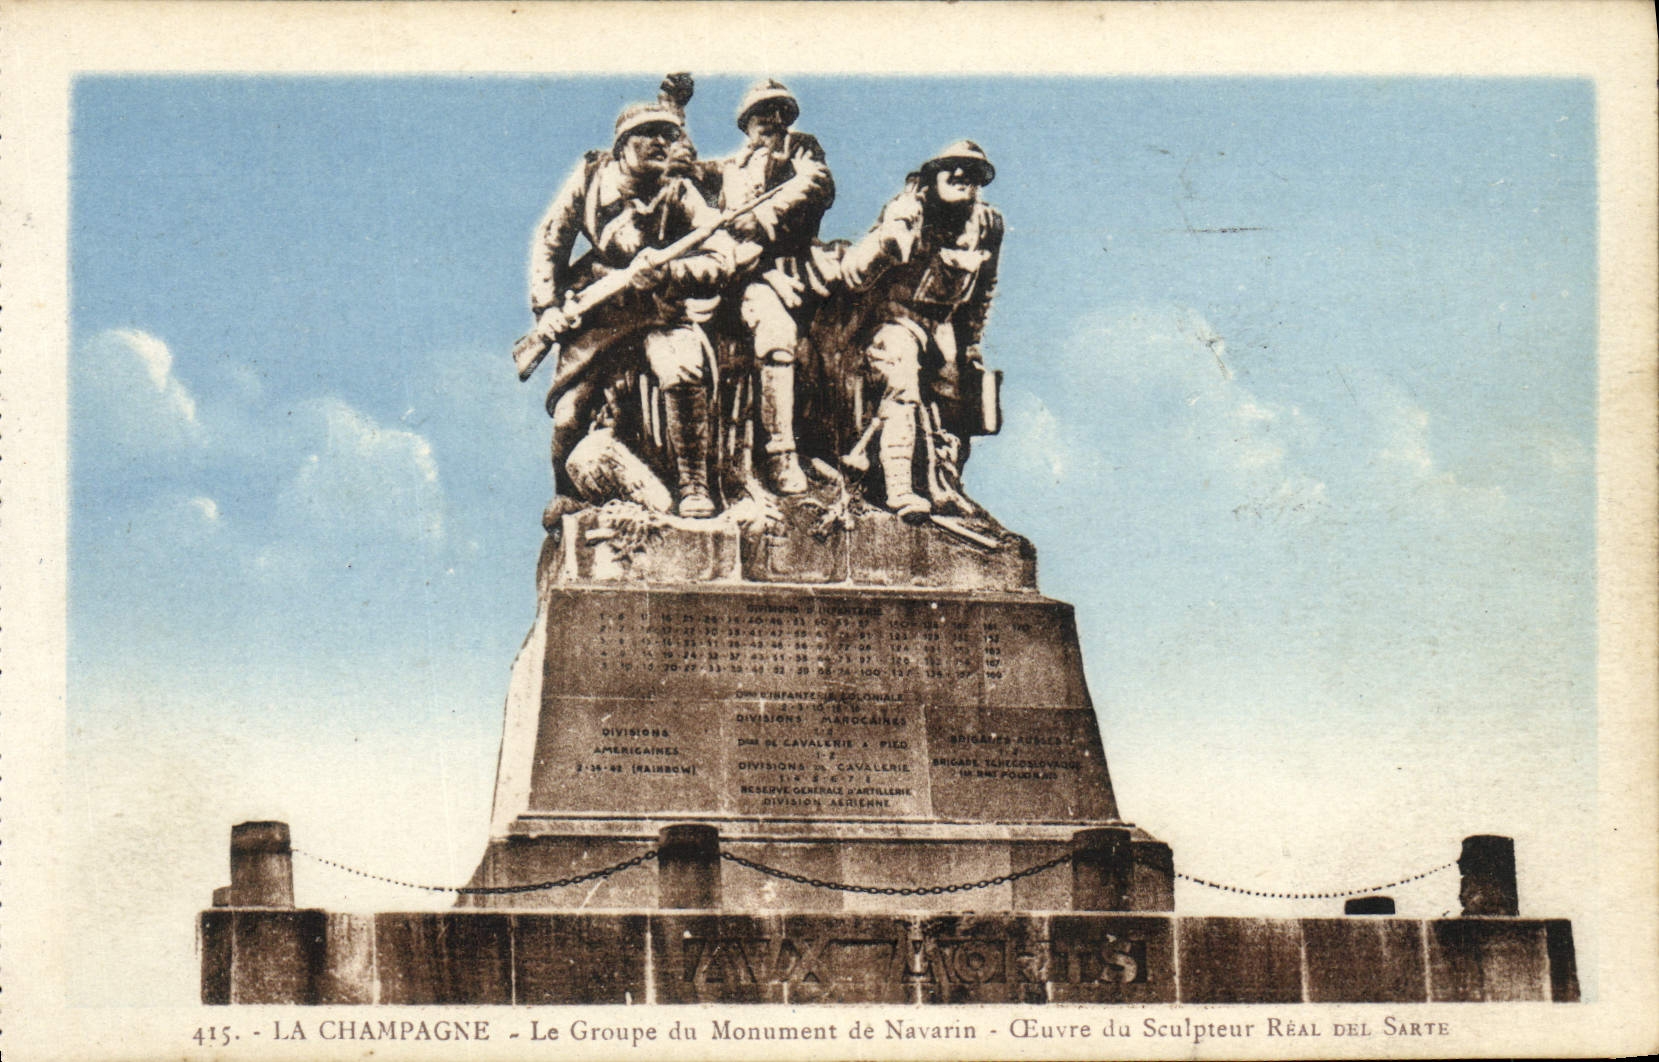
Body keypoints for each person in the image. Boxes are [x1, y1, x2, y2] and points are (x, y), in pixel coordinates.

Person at [528, 75, 740, 521]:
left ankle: (693, 484)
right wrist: (546, 309)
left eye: (668, 135)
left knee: (682, 371)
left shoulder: (680, 191)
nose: (663, 143)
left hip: (659, 311)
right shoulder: (590, 179)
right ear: (623, 144)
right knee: (568, 412)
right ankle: (566, 494)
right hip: (598, 312)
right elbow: (551, 241)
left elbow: (722, 257)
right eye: (651, 134)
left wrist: (669, 272)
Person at [832, 140, 1003, 521]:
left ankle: (943, 484)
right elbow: (853, 275)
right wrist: (890, 239)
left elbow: (983, 292)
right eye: (951, 168)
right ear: (932, 176)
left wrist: (971, 346)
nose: (961, 176)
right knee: (903, 381)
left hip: (943, 327)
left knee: (961, 399)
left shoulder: (988, 224)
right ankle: (900, 489)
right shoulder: (908, 209)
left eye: (972, 172)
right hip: (893, 320)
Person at [707, 79, 835, 495]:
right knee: (772, 331)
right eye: (763, 112)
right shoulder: (729, 167)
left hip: (794, 268)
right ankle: (773, 453)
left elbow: (816, 183)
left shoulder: (801, 149)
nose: (773, 119)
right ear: (746, 122)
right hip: (742, 275)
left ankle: (796, 451)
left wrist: (762, 217)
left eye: (781, 111)